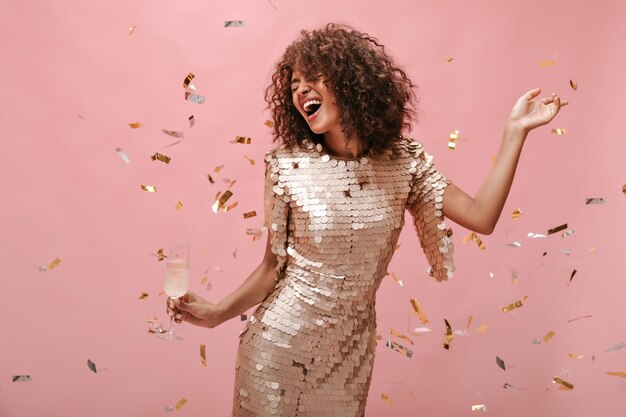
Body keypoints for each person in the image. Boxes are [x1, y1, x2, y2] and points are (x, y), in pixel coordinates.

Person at [167, 23, 567, 416]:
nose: (301, 90)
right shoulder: (286, 167)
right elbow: (273, 268)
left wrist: (516, 131)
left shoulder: (404, 163)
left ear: (351, 82)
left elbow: (482, 217)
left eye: (313, 77)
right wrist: (219, 312)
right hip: (277, 350)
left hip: (349, 357)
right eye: (294, 85)